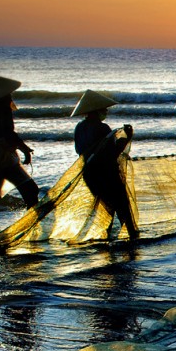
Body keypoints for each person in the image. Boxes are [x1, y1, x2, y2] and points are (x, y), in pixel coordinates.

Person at [72, 89, 138, 239]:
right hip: (106, 173)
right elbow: (112, 153)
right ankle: (132, 238)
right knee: (122, 205)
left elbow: (80, 150)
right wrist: (126, 138)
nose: (106, 111)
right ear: (96, 110)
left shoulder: (80, 128)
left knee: (108, 206)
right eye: (104, 109)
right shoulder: (103, 128)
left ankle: (108, 237)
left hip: (89, 173)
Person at [0, 74, 39, 237]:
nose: (11, 96)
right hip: (0, 158)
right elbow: (9, 134)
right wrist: (25, 150)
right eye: (9, 94)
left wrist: (22, 149)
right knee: (30, 190)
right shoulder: (2, 109)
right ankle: (32, 224)